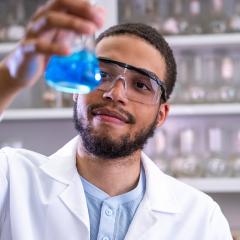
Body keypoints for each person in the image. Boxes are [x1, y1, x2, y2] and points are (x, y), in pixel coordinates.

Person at [0, 0, 232, 239]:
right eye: (101, 75)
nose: (116, 93)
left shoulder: (202, 220)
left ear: (161, 115)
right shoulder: (11, 179)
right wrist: (9, 78)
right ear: (75, 91)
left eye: (141, 85)